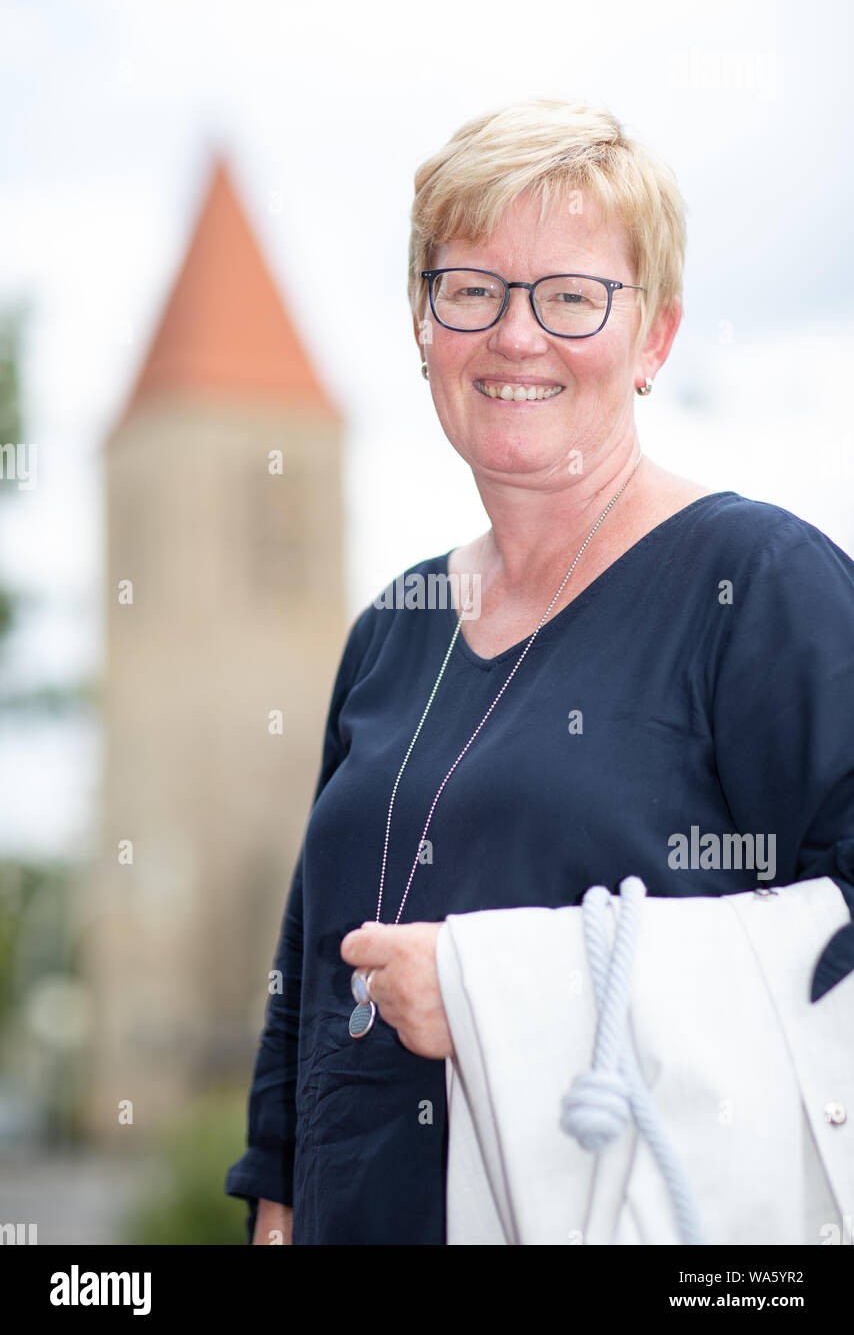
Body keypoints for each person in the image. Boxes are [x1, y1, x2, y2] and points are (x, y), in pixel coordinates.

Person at [224, 98, 854, 1246]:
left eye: (569, 296)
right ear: (423, 323)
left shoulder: (761, 588)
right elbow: (310, 967)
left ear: (654, 337)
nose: (517, 336)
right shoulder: (391, 628)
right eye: (470, 290)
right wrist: (276, 1204)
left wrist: (495, 989)